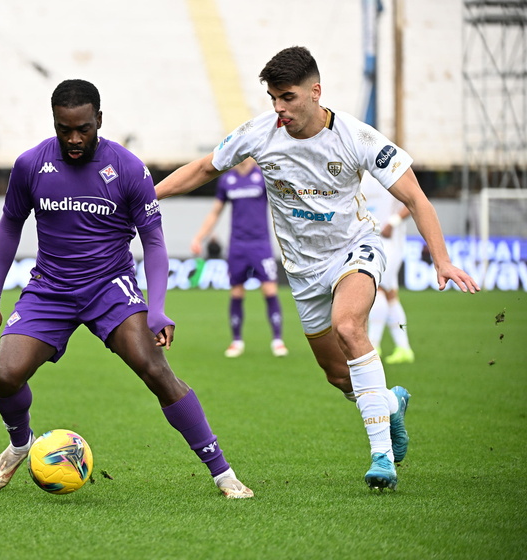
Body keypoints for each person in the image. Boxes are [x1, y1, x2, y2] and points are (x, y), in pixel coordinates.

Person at [155, 46, 479, 490]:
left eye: (287, 97)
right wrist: (149, 195)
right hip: (303, 272)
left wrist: (441, 259)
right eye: (272, 98)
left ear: (315, 92)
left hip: (355, 251)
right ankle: (389, 403)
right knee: (336, 374)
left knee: (348, 326)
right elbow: (204, 168)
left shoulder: (356, 137)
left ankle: (382, 456)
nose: (278, 108)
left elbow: (415, 197)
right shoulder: (259, 134)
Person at [0, 79, 252, 498]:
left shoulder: (127, 168)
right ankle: (20, 445)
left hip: (110, 286)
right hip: (50, 287)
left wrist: (156, 309)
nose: (73, 138)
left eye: (83, 129)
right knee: (6, 375)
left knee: (154, 368)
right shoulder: (31, 164)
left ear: (99, 120)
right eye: (64, 128)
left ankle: (222, 472)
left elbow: (154, 242)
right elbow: (10, 225)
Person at [190, 157, 288, 358]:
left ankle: (277, 340)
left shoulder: (263, 176)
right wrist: (199, 237)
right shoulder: (228, 180)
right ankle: (236, 341)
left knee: (269, 289)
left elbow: (280, 206)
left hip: (260, 243)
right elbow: (215, 212)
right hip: (237, 245)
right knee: (236, 292)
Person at [361, 172, 415, 364]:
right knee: (390, 294)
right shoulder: (360, 173)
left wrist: (393, 222)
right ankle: (404, 348)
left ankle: (373, 344)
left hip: (390, 242)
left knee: (377, 289)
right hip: (370, 240)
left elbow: (413, 200)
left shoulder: (391, 170)